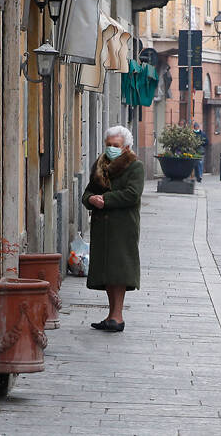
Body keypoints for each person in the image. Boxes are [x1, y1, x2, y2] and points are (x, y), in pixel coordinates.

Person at [81, 126, 145, 333]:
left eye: (115, 145)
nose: (110, 149)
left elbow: (132, 194)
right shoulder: (100, 165)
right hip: (102, 227)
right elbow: (88, 191)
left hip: (122, 227)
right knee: (107, 272)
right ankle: (111, 315)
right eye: (108, 145)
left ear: (126, 147)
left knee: (119, 271)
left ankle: (117, 317)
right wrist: (91, 199)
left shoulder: (135, 167)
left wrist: (104, 200)